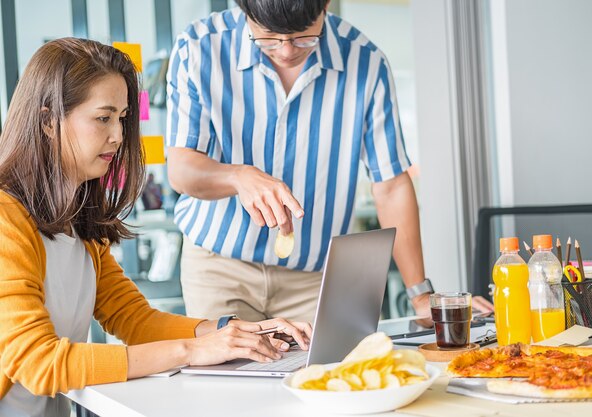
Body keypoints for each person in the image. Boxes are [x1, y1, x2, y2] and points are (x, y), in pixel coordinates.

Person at [0, 38, 310, 417]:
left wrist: (237, 332)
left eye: (122, 117)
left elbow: (136, 320)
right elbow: (39, 362)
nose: (117, 135)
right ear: (48, 121)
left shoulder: (78, 220)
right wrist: (195, 350)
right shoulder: (5, 219)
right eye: (103, 117)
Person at [166, 0, 493, 325]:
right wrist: (238, 177)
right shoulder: (198, 48)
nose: (285, 52)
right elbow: (181, 170)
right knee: (226, 375)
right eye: (267, 38)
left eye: (303, 38)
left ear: (324, 7)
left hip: (316, 279)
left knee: (336, 374)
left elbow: (391, 185)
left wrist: (420, 295)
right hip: (218, 268)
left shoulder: (365, 62)